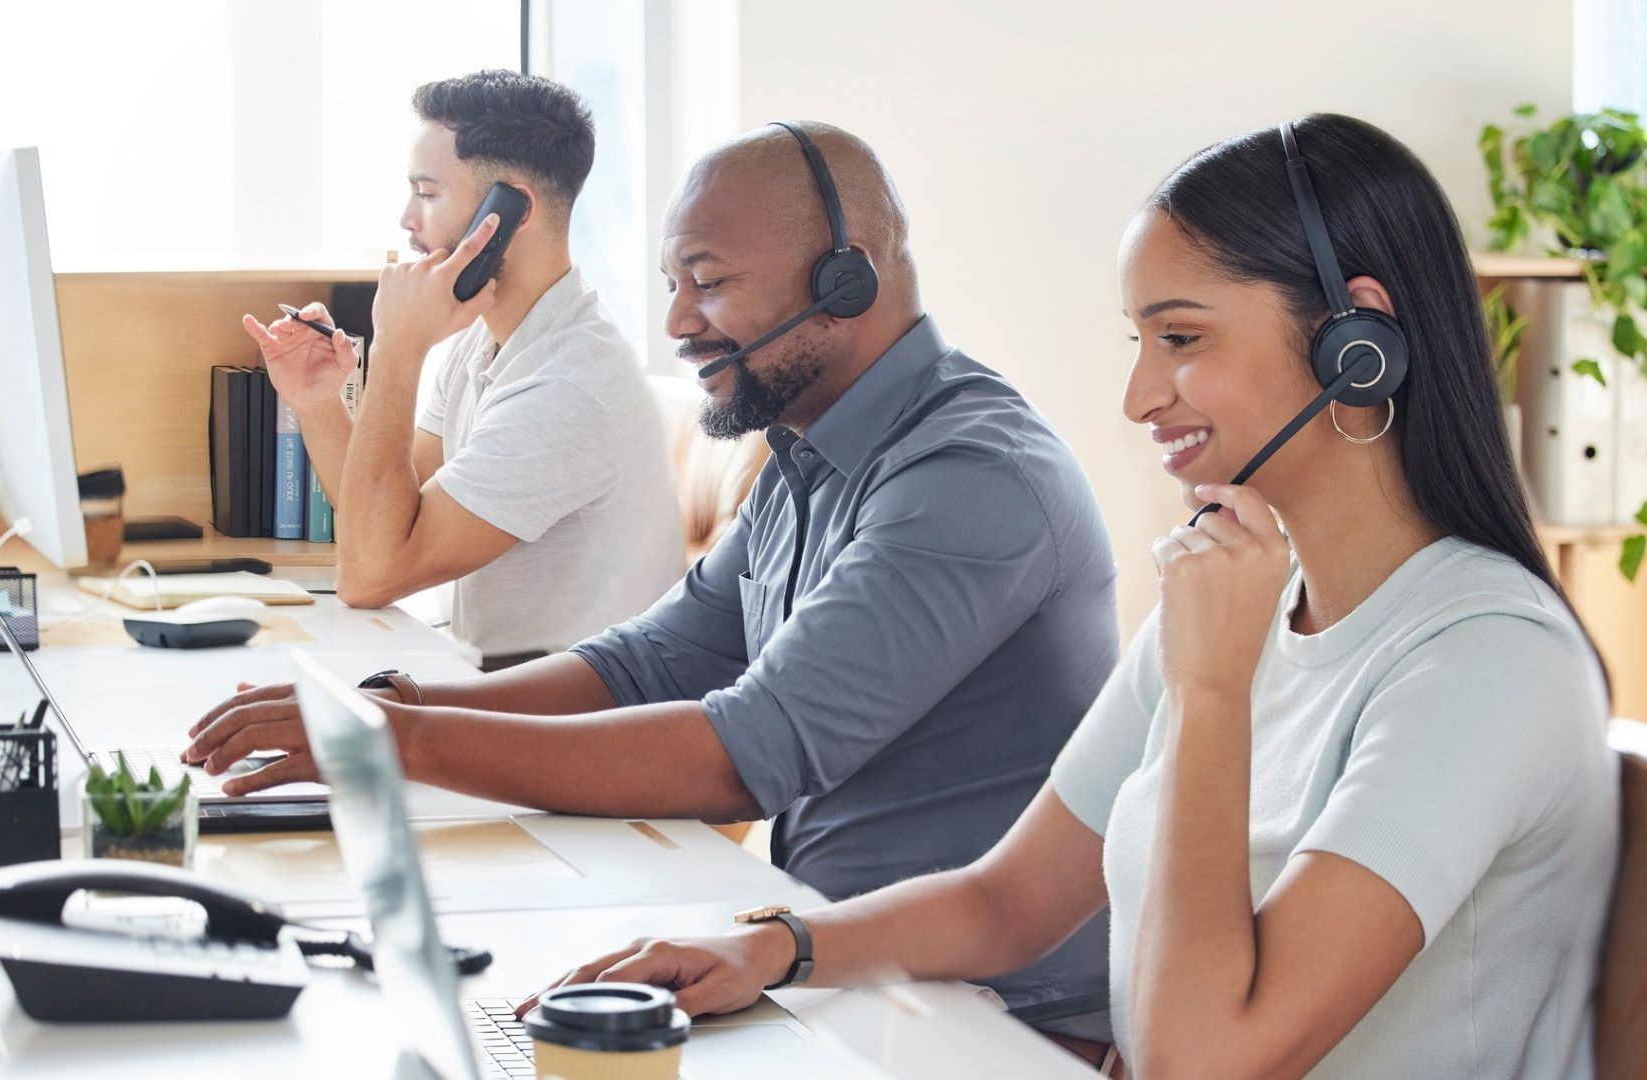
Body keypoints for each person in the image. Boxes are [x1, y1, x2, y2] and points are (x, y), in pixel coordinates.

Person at [524, 114, 1621, 1080]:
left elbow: (1204, 1064)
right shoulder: (1241, 593)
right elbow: (1008, 901)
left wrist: (1206, 691)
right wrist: (772, 949)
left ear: (1356, 343)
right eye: (1137, 341)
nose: (1140, 396)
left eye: (1181, 339)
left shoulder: (1481, 662)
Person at [185, 121, 1121, 1029]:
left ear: (849, 276)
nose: (676, 321)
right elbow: (653, 662)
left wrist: (400, 744)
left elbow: (748, 752)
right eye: (673, 284)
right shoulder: (812, 447)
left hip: (986, 1015)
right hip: (824, 955)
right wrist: (398, 703)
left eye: (707, 285)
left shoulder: (970, 478)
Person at [243, 69, 682, 667]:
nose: (405, 218)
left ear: (509, 213)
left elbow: (372, 573)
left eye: (426, 194)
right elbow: (393, 516)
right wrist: (320, 401)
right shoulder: (488, 343)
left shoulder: (570, 386)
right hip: (498, 690)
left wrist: (397, 348)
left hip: (568, 728)